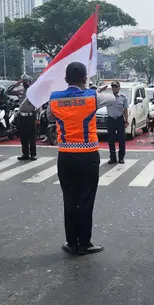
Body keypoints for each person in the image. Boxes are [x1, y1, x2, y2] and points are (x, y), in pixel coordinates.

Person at [48, 62, 118, 256]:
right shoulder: (92, 97)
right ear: (85, 78)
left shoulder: (54, 99)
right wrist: (93, 90)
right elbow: (112, 99)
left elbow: (50, 118)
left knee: (69, 200)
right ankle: (84, 243)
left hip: (66, 156)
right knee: (86, 200)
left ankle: (71, 242)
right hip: (88, 156)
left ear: (65, 79)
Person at [9, 75, 39, 161]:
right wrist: (17, 84)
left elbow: (38, 106)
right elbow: (8, 91)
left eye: (27, 82)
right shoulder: (20, 91)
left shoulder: (33, 92)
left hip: (30, 116)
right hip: (21, 116)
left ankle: (33, 154)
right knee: (23, 137)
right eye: (24, 82)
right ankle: (25, 154)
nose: (25, 83)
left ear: (30, 83)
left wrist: (37, 118)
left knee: (32, 137)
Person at [105, 81, 129, 164]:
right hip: (111, 119)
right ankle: (113, 157)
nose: (114, 88)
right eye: (113, 87)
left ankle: (121, 157)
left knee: (121, 139)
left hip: (119, 119)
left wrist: (126, 121)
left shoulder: (123, 98)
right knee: (111, 140)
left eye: (116, 86)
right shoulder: (108, 97)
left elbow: (125, 110)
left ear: (119, 88)